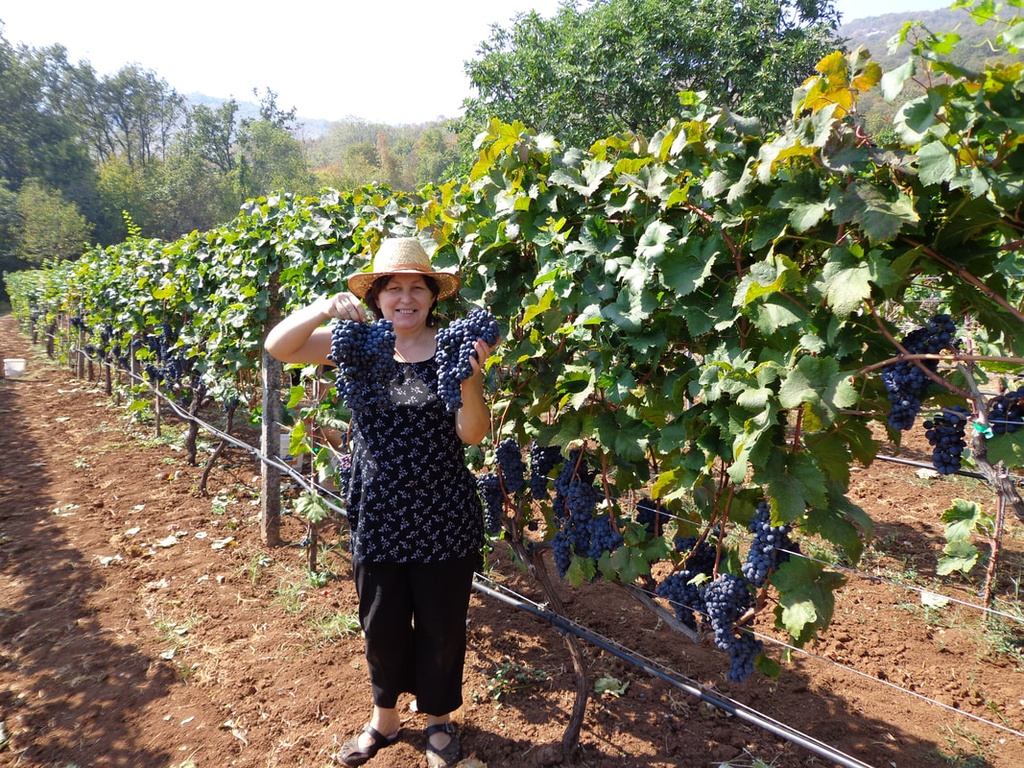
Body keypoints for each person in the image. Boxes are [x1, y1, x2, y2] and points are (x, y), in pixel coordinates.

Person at [264, 237, 498, 768]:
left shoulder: (454, 348)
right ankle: (385, 718)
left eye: (418, 287)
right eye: (394, 289)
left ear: (433, 297)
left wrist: (470, 379)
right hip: (379, 511)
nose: (406, 298)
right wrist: (324, 307)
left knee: (442, 623)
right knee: (381, 621)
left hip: (443, 511)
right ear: (377, 298)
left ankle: (438, 718)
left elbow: (472, 435)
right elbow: (279, 345)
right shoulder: (358, 345)